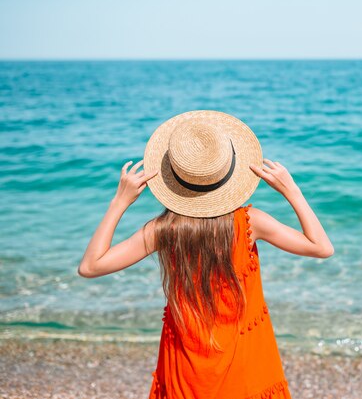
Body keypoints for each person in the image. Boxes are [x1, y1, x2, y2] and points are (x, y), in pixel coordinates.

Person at [77, 110, 334, 399]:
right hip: (245, 363)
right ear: (227, 175)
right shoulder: (250, 224)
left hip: (185, 368)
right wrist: (292, 191)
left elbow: (90, 266)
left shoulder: (164, 230)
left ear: (174, 179)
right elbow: (321, 247)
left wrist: (119, 202)